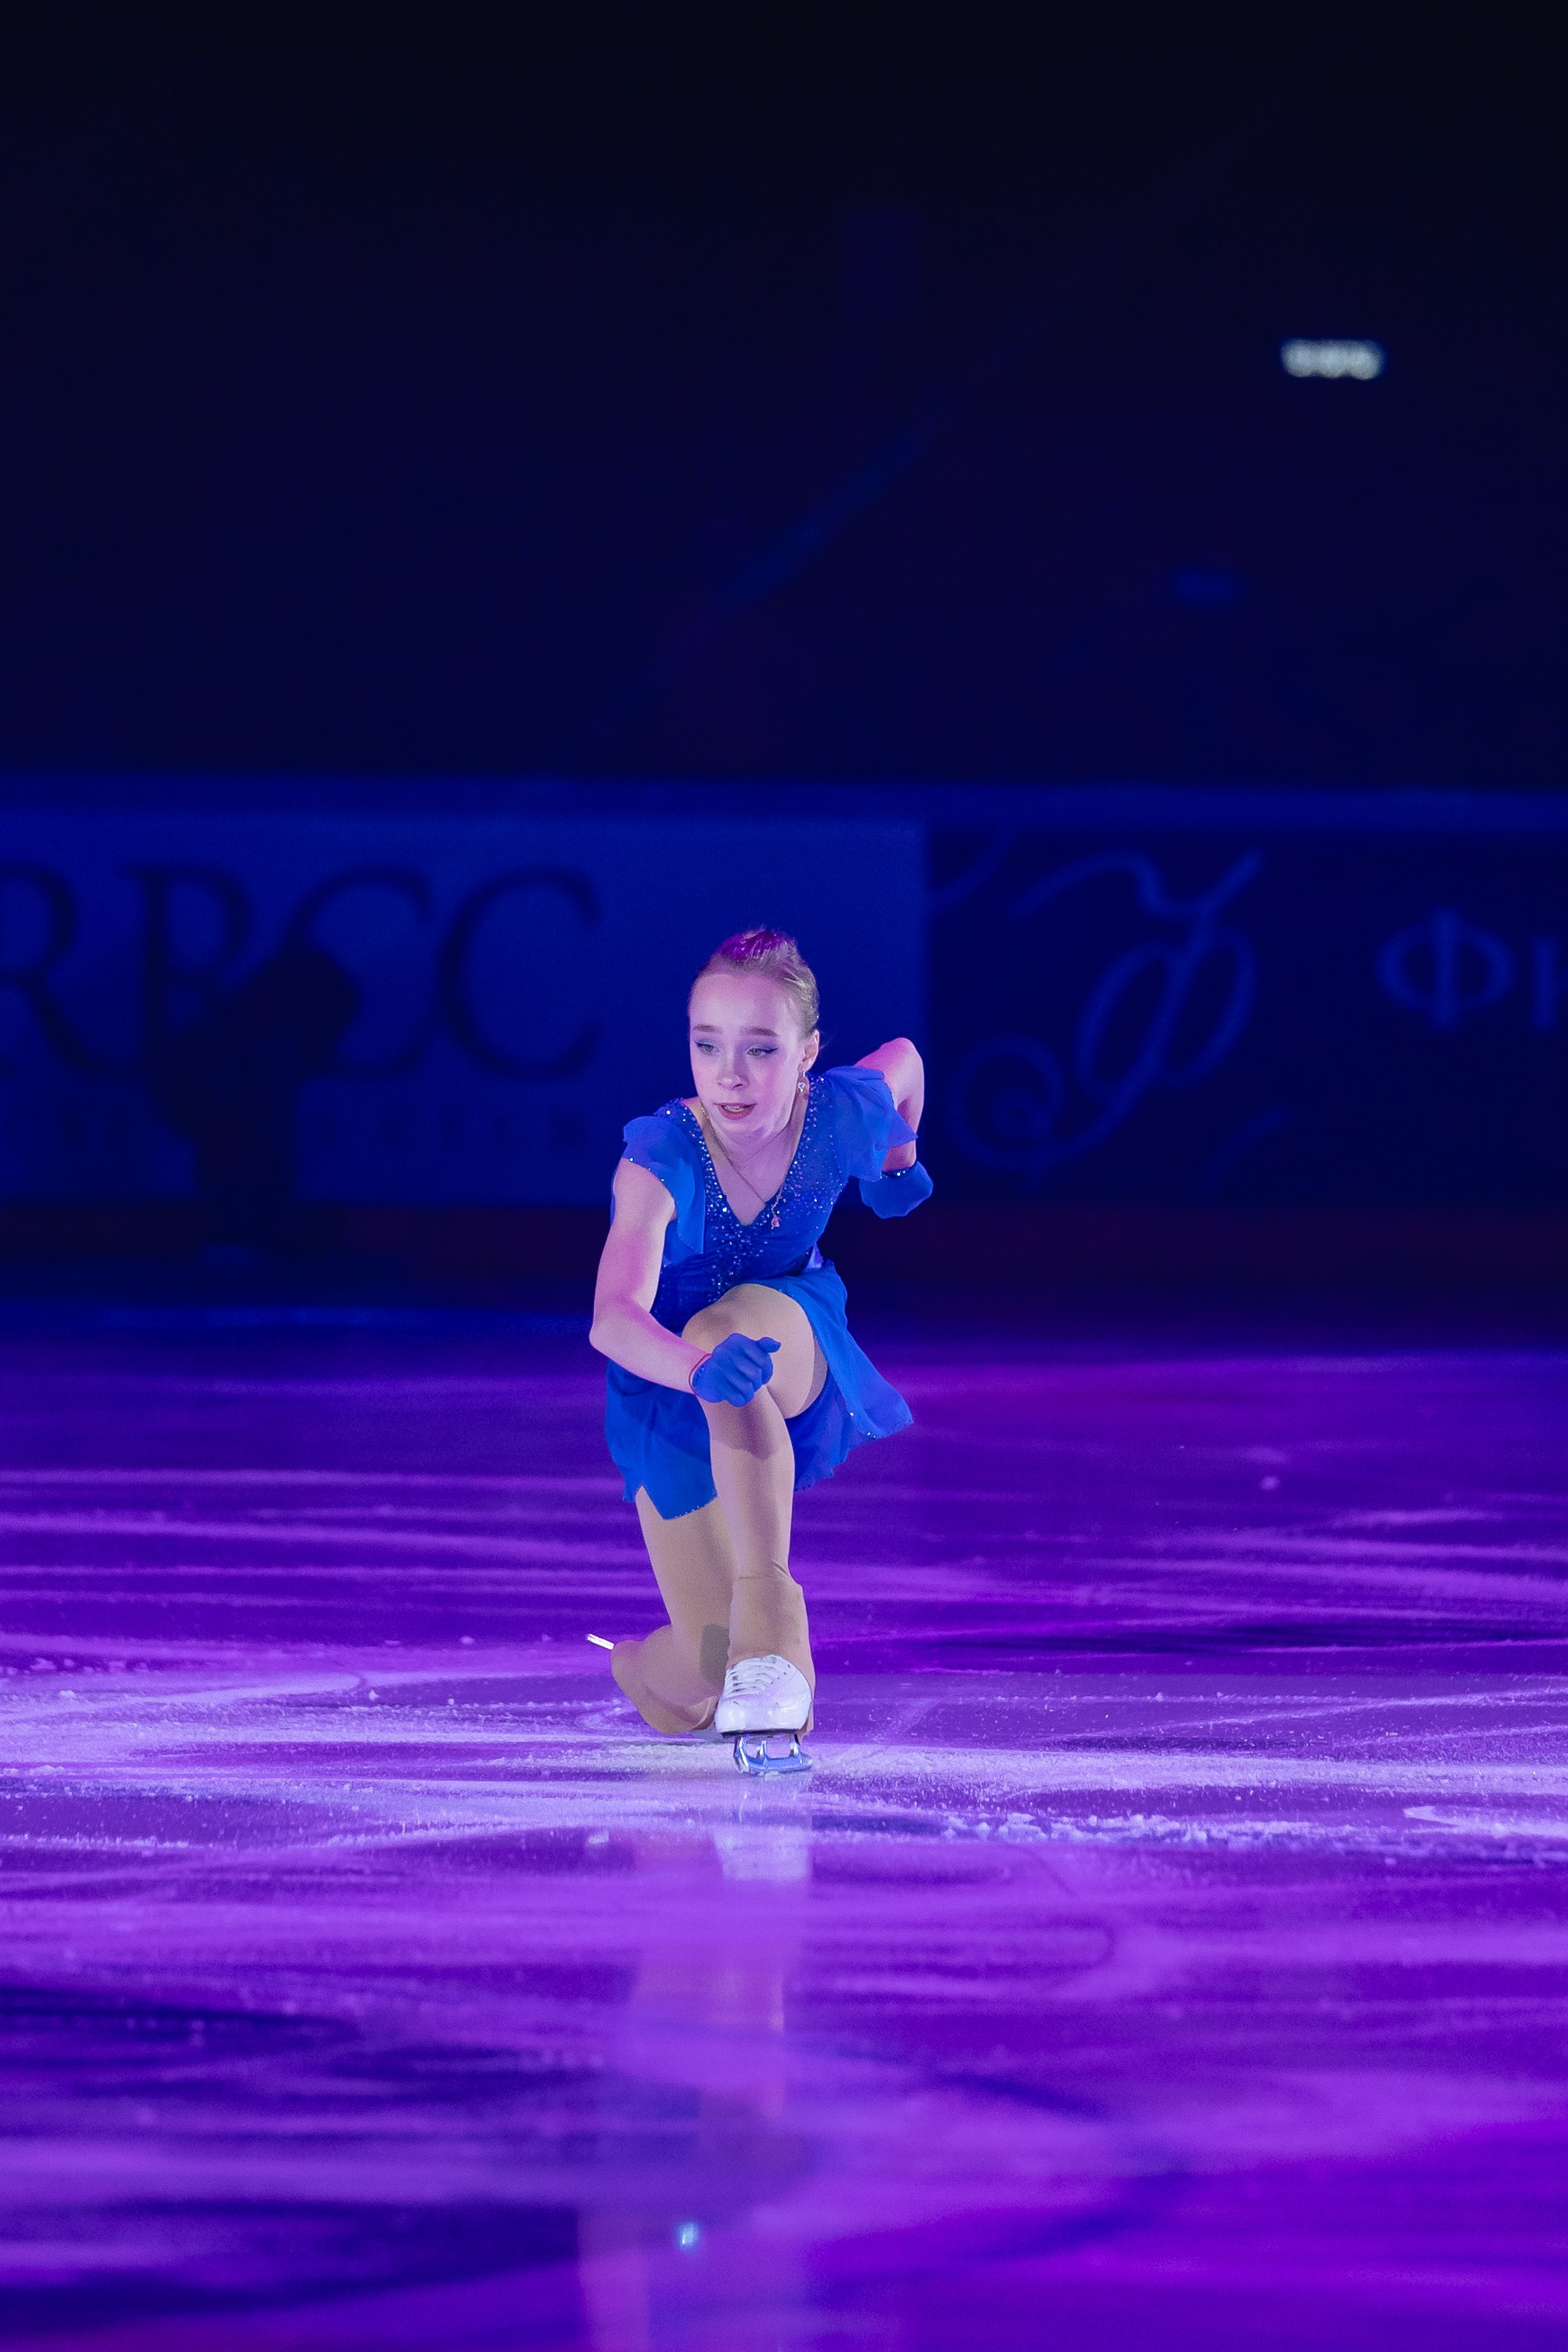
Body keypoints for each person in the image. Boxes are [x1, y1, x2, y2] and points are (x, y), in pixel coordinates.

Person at [588, 927, 930, 1766]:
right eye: (706, 1045)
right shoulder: (662, 1155)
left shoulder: (837, 1112)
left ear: (807, 1053)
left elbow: (906, 1060)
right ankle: (645, 1671)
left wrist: (897, 1159)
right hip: (670, 1380)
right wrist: (697, 1369)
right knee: (707, 1667)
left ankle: (776, 1638)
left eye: (760, 1048)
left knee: (728, 1328)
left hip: (787, 1330)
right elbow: (612, 1319)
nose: (729, 1075)